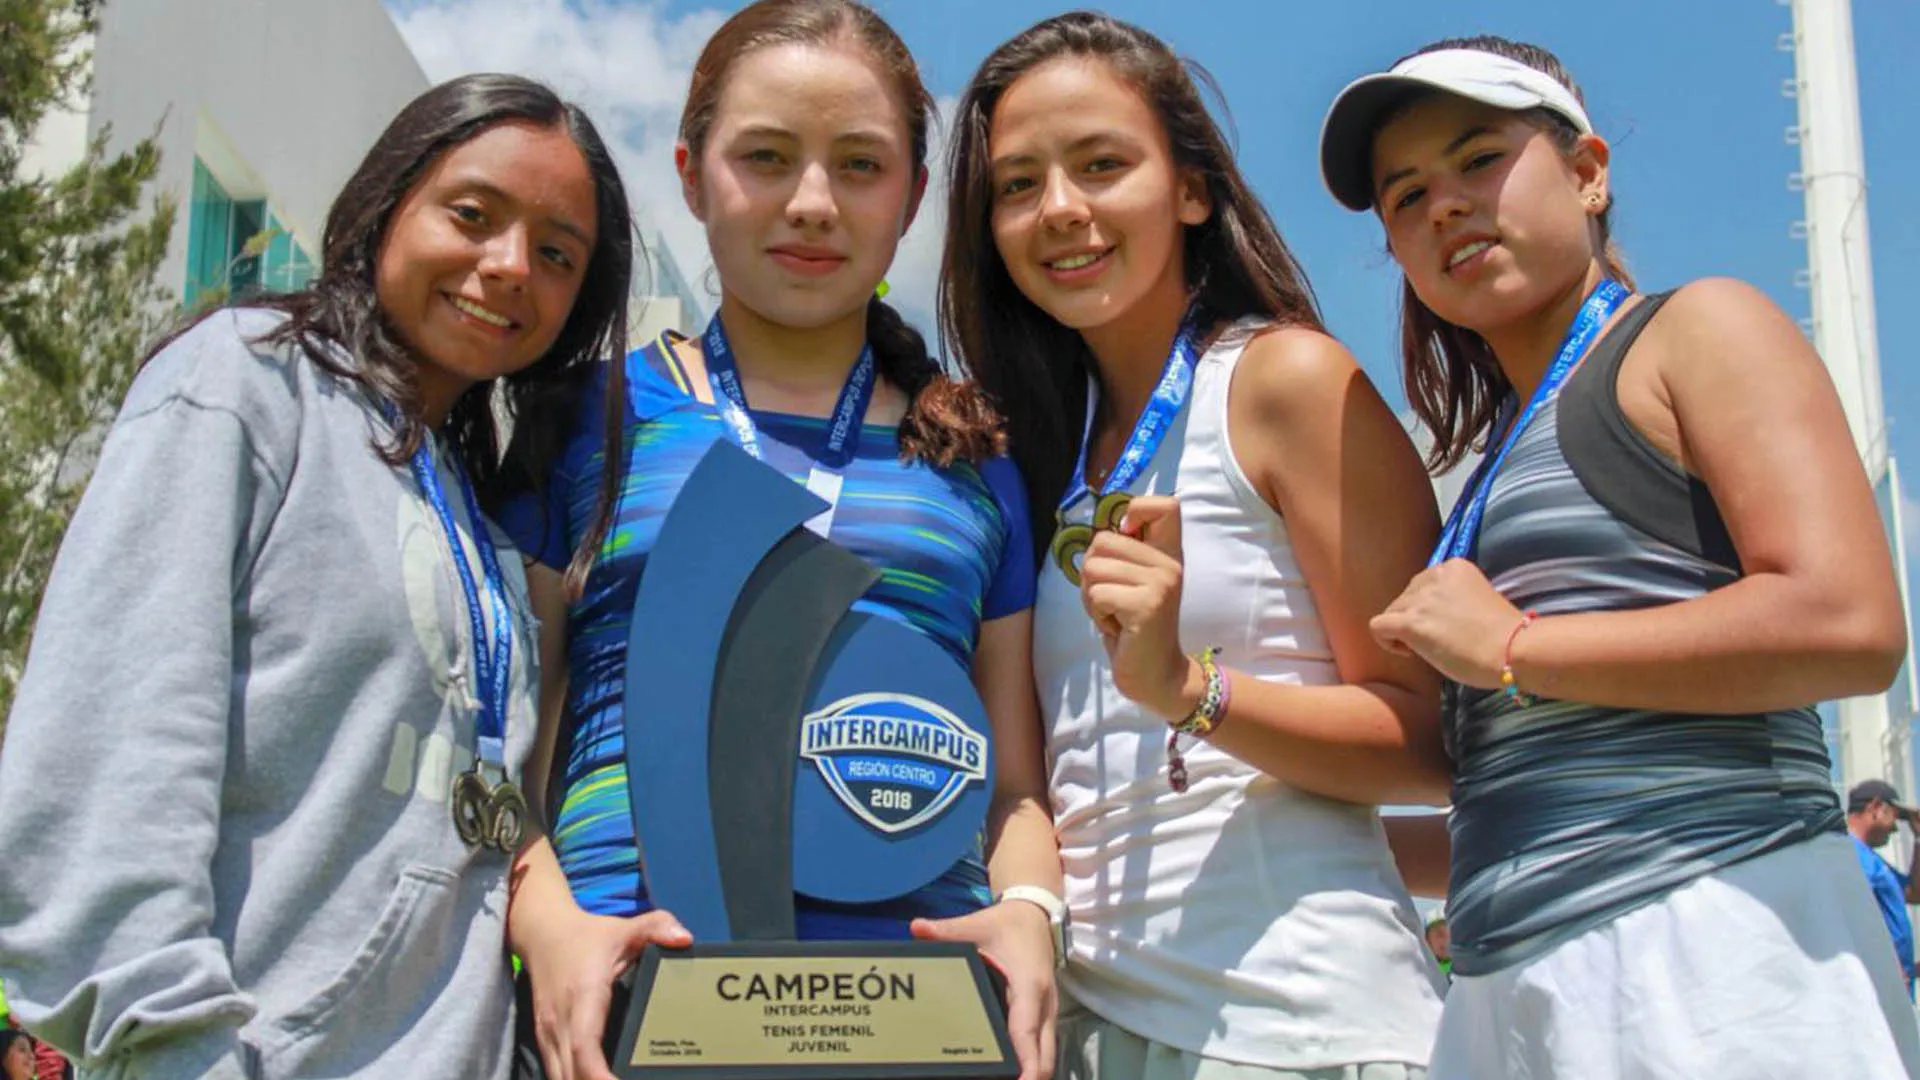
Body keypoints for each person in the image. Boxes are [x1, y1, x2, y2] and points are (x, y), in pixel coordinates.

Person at [0, 73, 636, 1080]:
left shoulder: (469, 510)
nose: (510, 265)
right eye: (472, 215)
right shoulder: (243, 384)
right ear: (389, 204)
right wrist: (176, 1050)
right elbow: (105, 768)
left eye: (557, 254)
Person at [1321, 34, 1920, 1079]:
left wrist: (1514, 643)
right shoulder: (1493, 461)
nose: (1445, 206)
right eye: (1406, 196)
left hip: (1717, 943)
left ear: (1589, 172)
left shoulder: (1698, 330)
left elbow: (1850, 624)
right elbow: (1532, 782)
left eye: (1478, 160)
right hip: (1513, 985)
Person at [498, 3, 1061, 1079]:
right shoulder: (588, 423)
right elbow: (508, 755)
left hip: (919, 1021)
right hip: (632, 1012)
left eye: (860, 164)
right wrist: (550, 923)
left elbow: (1016, 788)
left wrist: (1030, 911)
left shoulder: (977, 457)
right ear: (692, 173)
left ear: (912, 201)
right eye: (766, 157)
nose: (812, 203)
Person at [941, 12, 1449, 1079]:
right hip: (1087, 1029)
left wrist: (1188, 688)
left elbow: (1437, 743)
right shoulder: (1042, 453)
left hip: (1297, 1029)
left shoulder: (1284, 382)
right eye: (1019, 184)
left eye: (1101, 165)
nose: (1061, 211)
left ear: (1192, 189)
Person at [1848, 779, 1920, 998]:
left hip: (1895, 986)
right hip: (1878, 990)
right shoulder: (1847, 853)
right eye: (1896, 817)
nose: (1897, 828)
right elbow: (1854, 914)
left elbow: (1914, 893)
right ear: (1876, 807)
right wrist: (1885, 965)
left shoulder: (1872, 860)